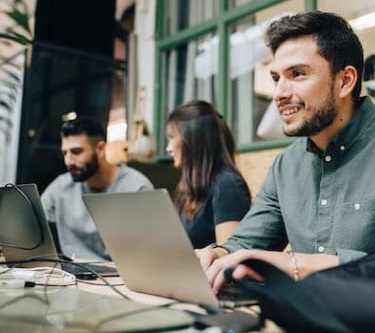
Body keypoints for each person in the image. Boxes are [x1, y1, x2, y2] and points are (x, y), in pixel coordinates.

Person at [197, 11, 375, 304]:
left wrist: (295, 265)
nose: (278, 92)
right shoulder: (285, 165)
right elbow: (246, 242)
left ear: (345, 81)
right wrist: (219, 254)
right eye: (276, 78)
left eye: (297, 74)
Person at [41, 116, 154, 261]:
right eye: (65, 153)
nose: (68, 161)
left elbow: (152, 252)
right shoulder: (60, 187)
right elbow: (32, 229)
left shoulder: (137, 188)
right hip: (70, 275)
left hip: (119, 279)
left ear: (100, 149)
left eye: (76, 152)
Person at [166, 100, 251, 249]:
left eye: (172, 138)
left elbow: (228, 258)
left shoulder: (227, 186)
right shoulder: (188, 189)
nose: (168, 148)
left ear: (192, 139)